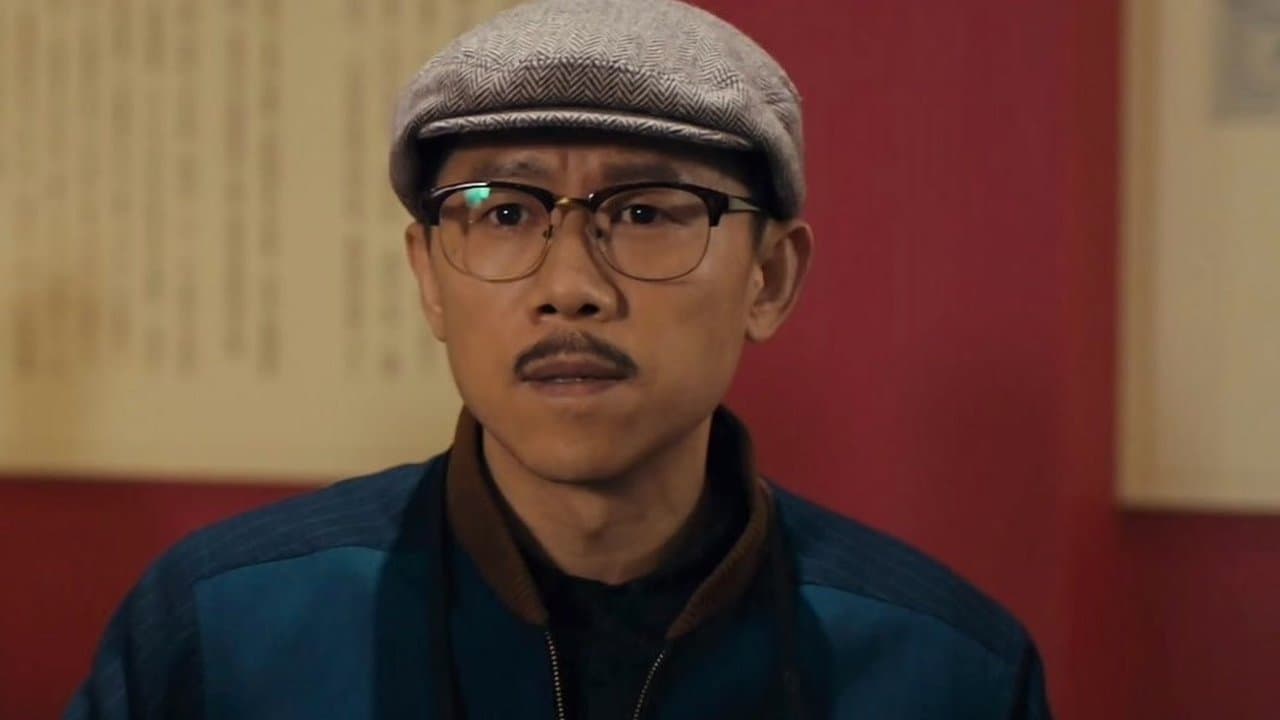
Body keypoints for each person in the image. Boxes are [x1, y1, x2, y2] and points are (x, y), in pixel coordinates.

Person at [68, 1, 1052, 718]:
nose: (570, 286)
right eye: (504, 214)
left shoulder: (943, 670)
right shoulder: (223, 631)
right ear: (428, 276)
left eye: (646, 212)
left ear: (769, 278)